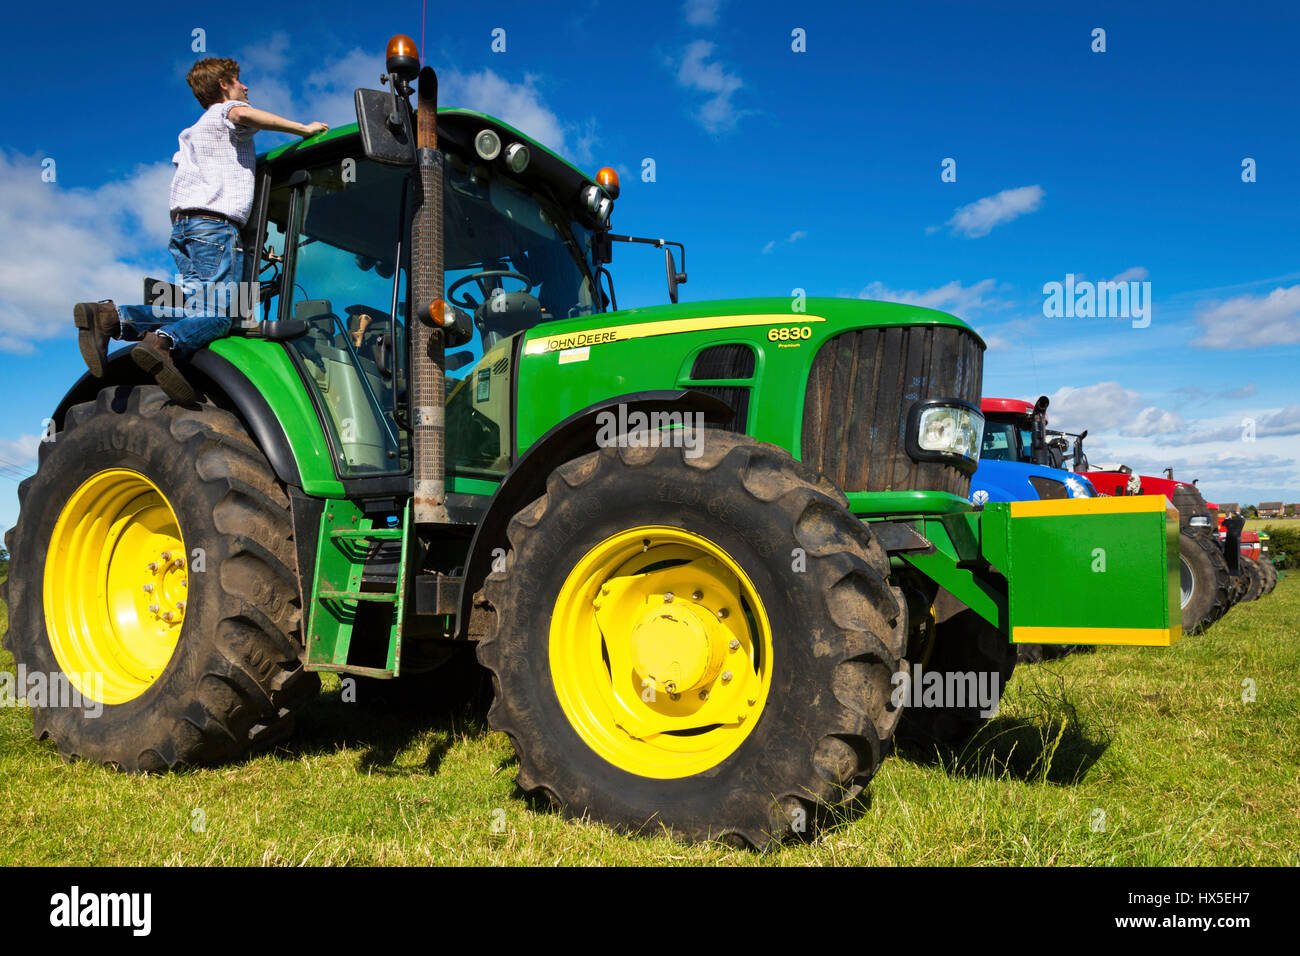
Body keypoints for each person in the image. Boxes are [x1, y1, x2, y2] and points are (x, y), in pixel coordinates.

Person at [73, 57, 328, 402]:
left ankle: (110, 317)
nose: (245, 87)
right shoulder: (226, 112)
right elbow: (241, 114)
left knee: (196, 311)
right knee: (222, 317)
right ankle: (162, 343)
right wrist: (303, 129)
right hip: (215, 228)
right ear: (224, 86)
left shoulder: (193, 133)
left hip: (185, 229)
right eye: (239, 81)